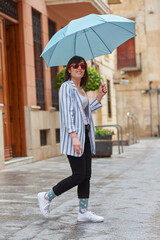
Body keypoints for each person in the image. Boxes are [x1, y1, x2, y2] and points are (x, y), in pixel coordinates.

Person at [38, 56, 107, 222]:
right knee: (78, 175)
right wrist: (74, 137)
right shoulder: (66, 87)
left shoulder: (81, 89)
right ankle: (47, 196)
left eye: (83, 66)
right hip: (75, 136)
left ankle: (83, 212)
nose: (80, 68)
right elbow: (67, 114)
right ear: (68, 69)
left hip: (86, 134)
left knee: (87, 175)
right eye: (75, 65)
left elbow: (85, 112)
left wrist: (99, 97)